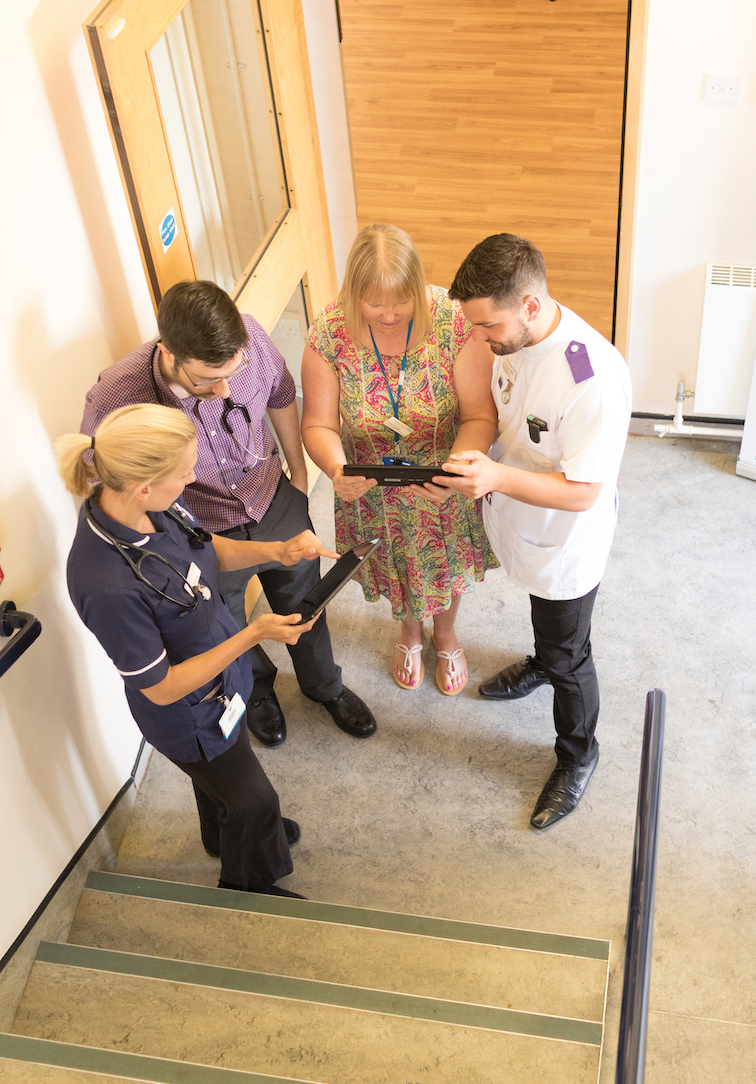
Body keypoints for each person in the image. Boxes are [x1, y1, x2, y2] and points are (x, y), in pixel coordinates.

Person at [57, 404, 340, 896]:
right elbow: (161, 688)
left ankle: (220, 832)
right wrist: (253, 636)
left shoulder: (150, 506)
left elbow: (203, 547)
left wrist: (278, 550)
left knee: (229, 793)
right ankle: (248, 883)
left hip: (223, 679)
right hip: (190, 713)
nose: (193, 479)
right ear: (145, 485)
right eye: (185, 473)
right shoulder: (107, 585)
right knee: (257, 804)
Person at [80, 280, 376, 749]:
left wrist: (299, 477)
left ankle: (325, 686)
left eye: (231, 374)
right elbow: (107, 485)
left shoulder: (252, 338)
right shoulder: (117, 397)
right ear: (169, 352)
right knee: (226, 621)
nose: (222, 390)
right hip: (201, 529)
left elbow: (280, 394)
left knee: (307, 598)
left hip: (272, 497)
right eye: (206, 380)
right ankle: (257, 691)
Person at [442, 233, 632, 829]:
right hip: (520, 521)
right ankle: (542, 661)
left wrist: (494, 474)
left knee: (570, 652)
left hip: (564, 544)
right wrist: (470, 467)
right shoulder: (510, 338)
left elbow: (584, 492)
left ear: (529, 306)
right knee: (544, 622)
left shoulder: (591, 378)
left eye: (487, 326)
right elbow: (501, 418)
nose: (480, 340)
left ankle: (578, 755)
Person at [301, 224, 498, 695]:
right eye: (374, 304)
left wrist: (453, 470)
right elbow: (318, 426)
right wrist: (335, 469)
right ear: (353, 295)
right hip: (370, 489)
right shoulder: (329, 334)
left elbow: (479, 415)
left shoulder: (452, 322)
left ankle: (446, 634)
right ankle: (409, 631)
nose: (389, 315)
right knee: (395, 564)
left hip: (443, 474)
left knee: (444, 566)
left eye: (401, 301)